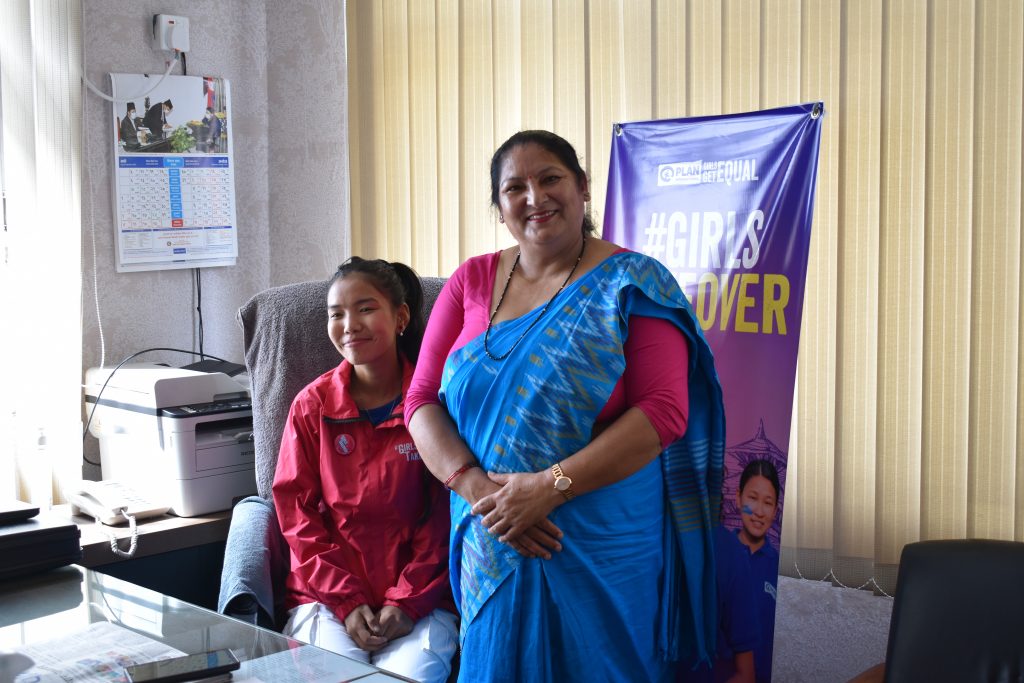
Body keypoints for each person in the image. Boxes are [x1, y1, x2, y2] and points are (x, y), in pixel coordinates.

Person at [406, 130, 726, 682]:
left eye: (550, 178)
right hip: (495, 532)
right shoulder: (472, 281)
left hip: (600, 543)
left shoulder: (633, 282)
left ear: (581, 187)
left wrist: (548, 488)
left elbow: (663, 411)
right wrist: (486, 496)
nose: (535, 197)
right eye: (515, 188)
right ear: (500, 207)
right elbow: (419, 402)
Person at [272, 257, 459, 683]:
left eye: (366, 308)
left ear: (401, 318)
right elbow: (296, 517)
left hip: (420, 599)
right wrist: (346, 602)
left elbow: (448, 514)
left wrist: (406, 602)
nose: (349, 324)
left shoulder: (433, 404)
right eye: (336, 314)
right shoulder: (312, 407)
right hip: (326, 598)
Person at [733, 459, 782, 683]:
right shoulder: (719, 554)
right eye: (752, 499)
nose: (759, 511)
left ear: (775, 511)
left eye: (768, 503)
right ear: (738, 498)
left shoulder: (779, 569)